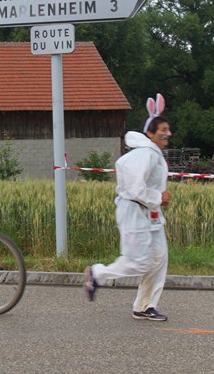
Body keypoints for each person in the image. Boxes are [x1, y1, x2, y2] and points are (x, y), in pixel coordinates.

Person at [83, 93, 172, 322]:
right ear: (150, 133)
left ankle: (145, 306)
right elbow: (133, 187)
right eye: (162, 129)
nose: (167, 133)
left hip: (150, 214)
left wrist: (156, 201)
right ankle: (97, 274)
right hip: (134, 212)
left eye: (168, 129)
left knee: (159, 258)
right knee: (138, 262)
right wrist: (158, 197)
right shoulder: (144, 154)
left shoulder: (153, 154)